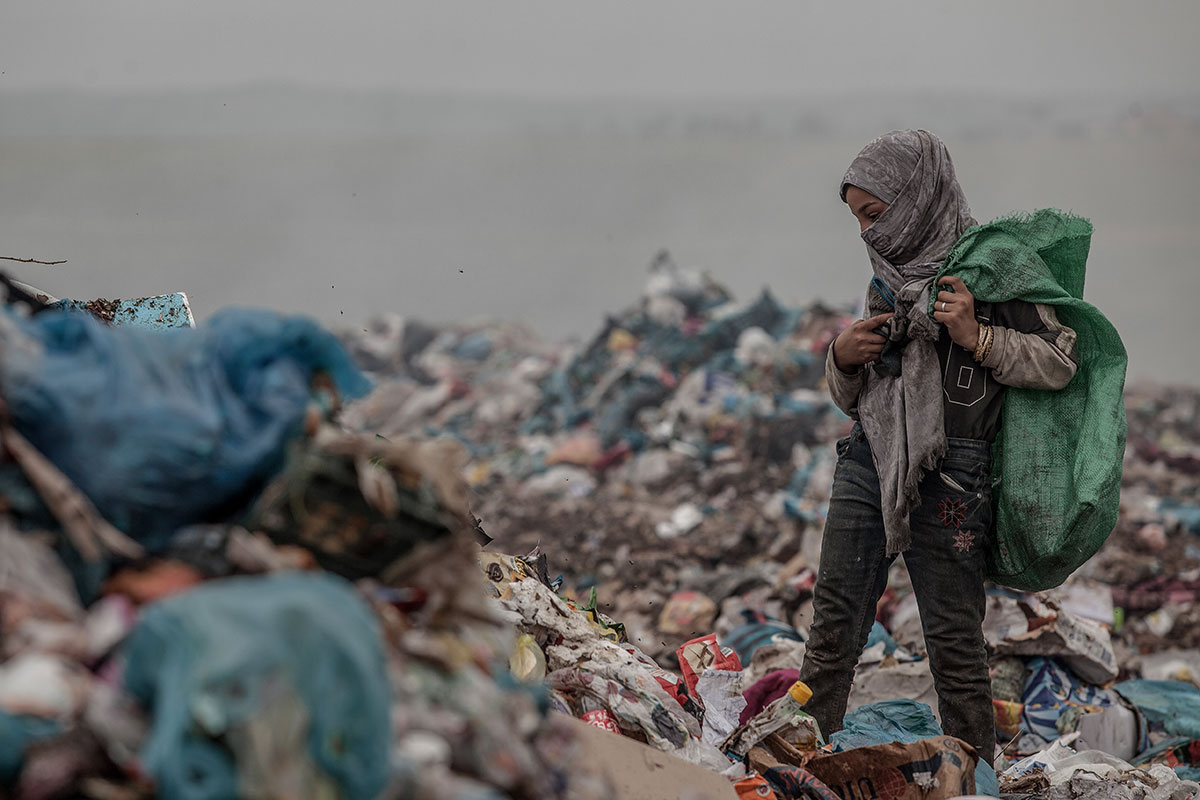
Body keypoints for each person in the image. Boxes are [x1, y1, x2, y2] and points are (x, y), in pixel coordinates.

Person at [797, 130, 1079, 767]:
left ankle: (976, 778)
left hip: (954, 477)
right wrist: (841, 357)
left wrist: (976, 335)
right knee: (834, 626)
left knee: (954, 646)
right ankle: (799, 768)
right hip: (870, 461)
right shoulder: (886, 281)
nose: (869, 233)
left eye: (877, 215)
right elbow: (860, 395)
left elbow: (1059, 361)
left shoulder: (991, 269)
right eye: (859, 221)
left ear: (916, 201)